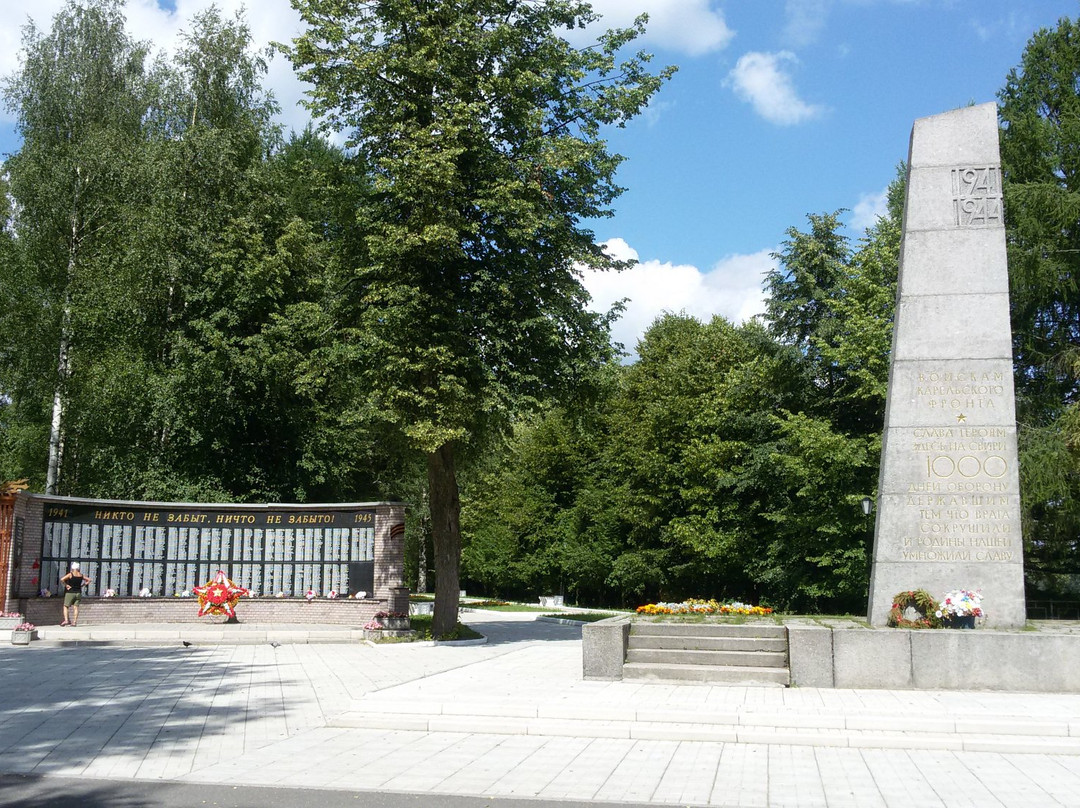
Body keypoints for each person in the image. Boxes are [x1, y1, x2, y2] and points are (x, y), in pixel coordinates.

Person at [60, 562, 91, 626]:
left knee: (65, 606)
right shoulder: (81, 575)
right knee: (76, 607)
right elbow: (89, 580)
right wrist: (82, 585)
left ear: (72, 568)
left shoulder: (70, 574)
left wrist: (66, 585)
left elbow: (62, 579)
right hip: (78, 592)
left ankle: (66, 620)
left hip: (70, 592)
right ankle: (74, 622)